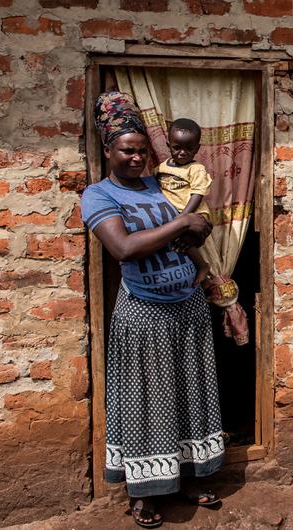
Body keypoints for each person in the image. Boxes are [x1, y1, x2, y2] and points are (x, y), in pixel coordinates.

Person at [82, 92, 225, 528]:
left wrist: (200, 236)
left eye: (143, 150)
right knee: (147, 401)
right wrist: (182, 223)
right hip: (144, 314)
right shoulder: (98, 194)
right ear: (108, 150)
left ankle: (184, 477)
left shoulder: (157, 185)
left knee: (187, 397)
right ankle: (143, 492)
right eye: (127, 150)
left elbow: (186, 228)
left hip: (187, 308)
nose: (137, 158)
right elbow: (122, 246)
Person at [156, 118, 211, 286]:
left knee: (182, 239)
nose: (182, 153)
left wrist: (183, 218)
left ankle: (203, 266)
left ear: (197, 149)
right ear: (168, 145)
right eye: (177, 148)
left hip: (193, 212)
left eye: (189, 149)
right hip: (175, 215)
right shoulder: (161, 168)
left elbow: (198, 194)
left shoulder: (196, 169)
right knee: (176, 242)